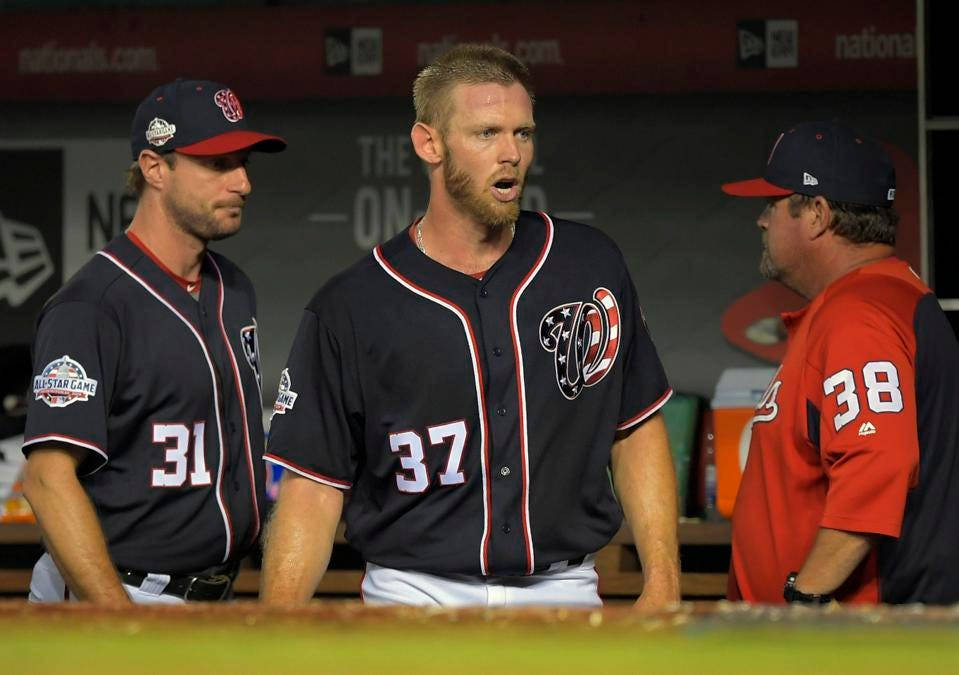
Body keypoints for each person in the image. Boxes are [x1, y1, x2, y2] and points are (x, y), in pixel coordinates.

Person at [261, 44, 679, 609]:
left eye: (523, 133)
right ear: (428, 143)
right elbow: (314, 486)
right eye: (486, 133)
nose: (511, 153)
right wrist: (277, 623)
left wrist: (663, 579)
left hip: (563, 590)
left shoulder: (588, 265)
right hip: (413, 594)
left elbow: (635, 428)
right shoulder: (352, 305)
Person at [22, 78, 286, 604]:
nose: (242, 183)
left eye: (244, 164)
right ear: (154, 168)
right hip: (121, 591)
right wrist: (117, 619)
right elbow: (47, 480)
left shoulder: (233, 289)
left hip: (218, 596)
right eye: (218, 164)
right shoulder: (93, 306)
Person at [722, 120, 959, 604]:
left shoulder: (861, 313)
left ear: (817, 213)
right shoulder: (876, 301)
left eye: (773, 204)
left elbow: (878, 463)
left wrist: (806, 599)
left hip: (852, 639)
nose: (762, 221)